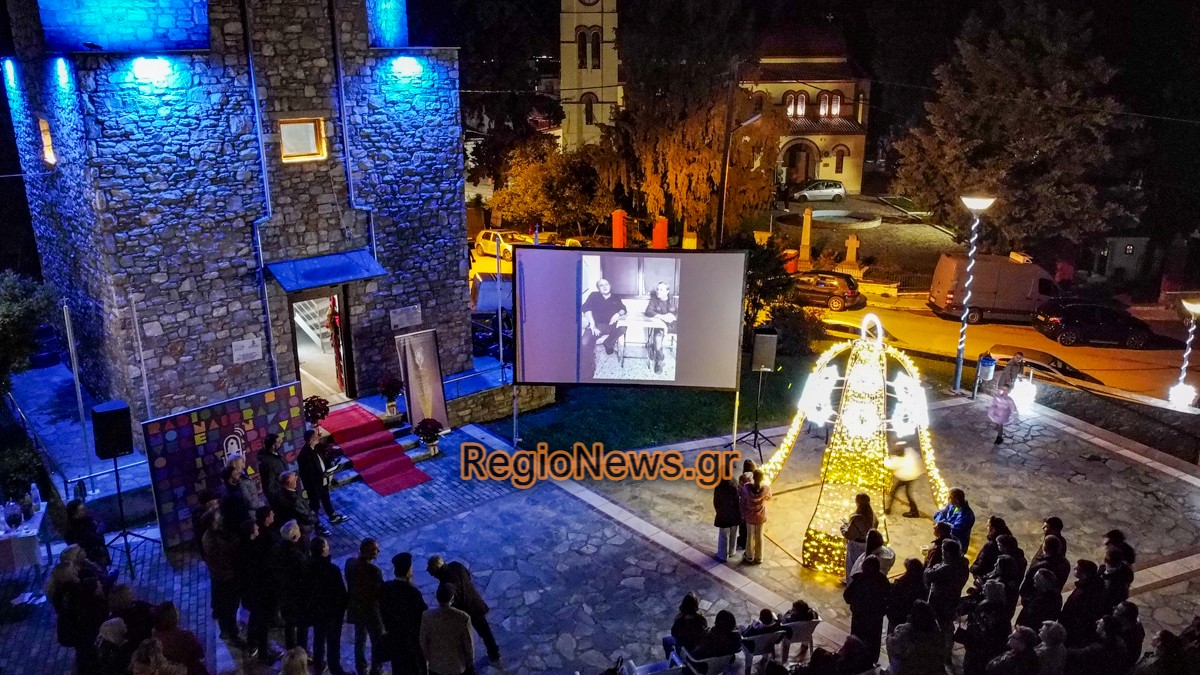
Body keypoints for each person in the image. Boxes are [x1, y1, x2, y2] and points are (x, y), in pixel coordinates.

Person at [427, 554, 501, 662]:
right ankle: (494, 654)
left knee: (465, 640)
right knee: (485, 632)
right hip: (474, 603)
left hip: (463, 614)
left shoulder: (445, 587)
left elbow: (450, 605)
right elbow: (468, 576)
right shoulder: (456, 565)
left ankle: (467, 661)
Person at [305, 536, 349, 675]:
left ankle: (318, 666)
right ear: (323, 549)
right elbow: (341, 593)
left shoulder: (307, 566)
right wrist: (342, 609)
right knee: (333, 642)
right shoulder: (332, 569)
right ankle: (335, 668)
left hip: (316, 611)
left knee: (318, 638)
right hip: (331, 613)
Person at [382, 552, 428, 675]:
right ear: (408, 571)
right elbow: (423, 615)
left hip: (394, 637)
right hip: (411, 640)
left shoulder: (387, 588)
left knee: (398, 667)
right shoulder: (413, 593)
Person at [200, 512, 243, 645]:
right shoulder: (211, 540)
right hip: (224, 577)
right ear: (212, 523)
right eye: (218, 518)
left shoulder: (216, 534)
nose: (222, 518)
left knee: (229, 606)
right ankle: (231, 634)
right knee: (229, 606)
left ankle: (230, 630)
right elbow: (224, 555)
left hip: (225, 575)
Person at [347, 538, 387, 675]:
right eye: (375, 549)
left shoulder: (350, 564)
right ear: (368, 552)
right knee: (376, 640)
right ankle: (376, 668)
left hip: (357, 608)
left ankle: (361, 668)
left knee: (360, 639)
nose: (378, 551)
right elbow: (379, 593)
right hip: (371, 611)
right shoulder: (374, 571)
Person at [956, 580, 1013, 675]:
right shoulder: (1002, 609)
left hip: (979, 650)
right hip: (988, 651)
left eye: (985, 589)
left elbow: (982, 632)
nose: (982, 590)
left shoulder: (986, 609)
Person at [844, 555, 891, 661]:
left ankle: (854, 659)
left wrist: (854, 604)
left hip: (859, 616)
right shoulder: (882, 580)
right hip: (875, 618)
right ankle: (871, 661)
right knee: (873, 640)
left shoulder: (859, 579)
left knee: (857, 639)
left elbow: (847, 596)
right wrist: (882, 610)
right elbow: (889, 597)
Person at [298, 429, 349, 528]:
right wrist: (321, 476)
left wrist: (330, 466)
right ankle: (316, 524)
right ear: (311, 440)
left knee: (326, 498)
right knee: (315, 505)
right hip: (314, 485)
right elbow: (307, 474)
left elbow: (323, 458)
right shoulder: (304, 456)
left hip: (323, 481)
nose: (318, 437)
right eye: (316, 436)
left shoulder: (317, 447)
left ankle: (332, 516)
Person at [420, 582, 474, 675]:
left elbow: (423, 640)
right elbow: (468, 644)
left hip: (436, 666)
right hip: (457, 666)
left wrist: (428, 658)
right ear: (452, 598)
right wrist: (470, 661)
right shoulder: (463, 618)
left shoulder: (427, 616)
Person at [925, 539, 970, 650]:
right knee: (947, 622)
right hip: (953, 597)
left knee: (941, 622)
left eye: (943, 551)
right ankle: (947, 646)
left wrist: (930, 564)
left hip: (940, 599)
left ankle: (941, 647)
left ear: (948, 553)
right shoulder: (962, 565)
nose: (942, 554)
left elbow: (927, 576)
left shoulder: (946, 567)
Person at [272, 520, 309, 651]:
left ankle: (290, 650)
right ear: (294, 537)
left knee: (289, 623)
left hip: (283, 593)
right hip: (297, 595)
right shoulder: (297, 556)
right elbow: (305, 574)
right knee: (302, 625)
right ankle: (301, 651)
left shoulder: (276, 549)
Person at [886, 599, 944, 675]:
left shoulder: (905, 630)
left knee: (892, 644)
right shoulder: (936, 631)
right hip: (931, 668)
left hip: (909, 670)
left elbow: (893, 647)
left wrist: (889, 638)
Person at [1059, 560, 1108, 647]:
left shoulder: (1083, 591)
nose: (1074, 569)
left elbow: (1075, 611)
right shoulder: (1093, 584)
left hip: (1072, 627)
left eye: (1076, 569)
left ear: (1084, 574)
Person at [153, 602, 208, 675]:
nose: (178, 611)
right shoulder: (185, 637)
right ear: (172, 618)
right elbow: (200, 654)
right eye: (175, 611)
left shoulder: (154, 641)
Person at [581, 278, 627, 356]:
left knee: (623, 327)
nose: (604, 287)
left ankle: (608, 343)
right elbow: (586, 307)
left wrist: (618, 314)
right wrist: (592, 324)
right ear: (598, 288)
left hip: (611, 326)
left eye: (606, 284)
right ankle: (589, 360)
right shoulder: (593, 295)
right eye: (601, 285)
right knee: (584, 342)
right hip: (596, 326)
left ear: (610, 286)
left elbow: (623, 309)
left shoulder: (615, 297)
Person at [272, 470, 323, 538]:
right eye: (294, 479)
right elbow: (306, 516)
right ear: (289, 483)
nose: (296, 480)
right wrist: (315, 518)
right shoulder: (294, 500)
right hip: (303, 528)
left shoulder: (278, 493)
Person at [841, 492, 878, 582]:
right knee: (860, 565)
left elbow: (849, 535)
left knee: (852, 565)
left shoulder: (858, 518)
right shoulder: (872, 515)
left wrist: (843, 527)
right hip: (866, 544)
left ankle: (850, 583)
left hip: (856, 546)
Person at [64, 499, 111, 568]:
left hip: (98, 554)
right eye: (82, 510)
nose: (85, 511)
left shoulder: (88, 520)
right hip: (89, 559)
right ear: (75, 515)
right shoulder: (72, 531)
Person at [644, 281, 678, 374]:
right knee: (657, 338)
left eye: (661, 289)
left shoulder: (674, 300)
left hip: (675, 324)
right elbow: (648, 311)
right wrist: (662, 317)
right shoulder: (654, 300)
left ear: (667, 291)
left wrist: (673, 316)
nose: (658, 291)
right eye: (658, 289)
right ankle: (659, 361)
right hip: (660, 324)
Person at [884, 441, 925, 517]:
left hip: (906, 477)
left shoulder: (898, 458)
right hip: (912, 475)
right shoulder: (910, 451)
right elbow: (918, 458)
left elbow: (889, 465)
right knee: (902, 492)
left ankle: (914, 512)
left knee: (899, 491)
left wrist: (886, 458)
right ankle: (889, 508)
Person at [888, 558, 927, 636]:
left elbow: (893, 598)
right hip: (914, 615)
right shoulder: (923, 581)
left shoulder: (902, 582)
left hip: (900, 615)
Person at [740, 469, 771, 564]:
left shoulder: (746, 488)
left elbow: (743, 499)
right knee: (759, 535)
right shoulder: (766, 489)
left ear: (753, 477)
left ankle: (749, 556)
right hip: (761, 515)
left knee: (750, 535)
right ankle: (759, 557)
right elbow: (769, 497)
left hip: (750, 515)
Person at [662, 591, 707, 658]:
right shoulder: (701, 619)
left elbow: (674, 633)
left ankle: (670, 657)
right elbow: (704, 631)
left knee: (666, 640)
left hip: (683, 647)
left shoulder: (679, 620)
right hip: (695, 647)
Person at [970, 516, 1013, 583]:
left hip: (986, 578)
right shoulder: (1009, 542)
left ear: (992, 528)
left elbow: (982, 564)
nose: (987, 528)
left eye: (988, 526)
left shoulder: (990, 545)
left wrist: (972, 568)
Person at [711, 477, 741, 562]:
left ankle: (722, 555)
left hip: (724, 515)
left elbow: (716, 501)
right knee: (733, 533)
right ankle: (732, 551)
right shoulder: (734, 482)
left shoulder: (719, 485)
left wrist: (719, 512)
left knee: (724, 535)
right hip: (735, 514)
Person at [1112, 601, 1146, 672]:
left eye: (1117, 609)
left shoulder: (1127, 640)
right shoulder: (1136, 624)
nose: (1113, 608)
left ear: (1124, 618)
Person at [218, 464, 252, 532]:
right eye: (236, 474)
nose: (239, 475)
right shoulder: (231, 495)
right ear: (229, 479)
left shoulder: (234, 488)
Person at [256, 433, 289, 503]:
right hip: (280, 498)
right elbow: (269, 485)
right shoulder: (268, 462)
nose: (281, 443)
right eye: (278, 442)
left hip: (284, 493)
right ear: (273, 445)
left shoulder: (276, 456)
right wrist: (278, 499)